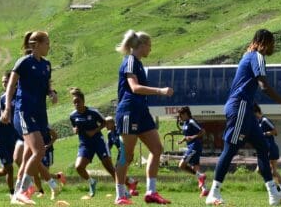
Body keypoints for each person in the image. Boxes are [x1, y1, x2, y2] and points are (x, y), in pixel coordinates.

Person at [206, 29, 281, 206]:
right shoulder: (257, 56)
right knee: (231, 148)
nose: (274, 47)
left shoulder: (248, 56)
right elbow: (264, 86)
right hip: (239, 107)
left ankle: (273, 195)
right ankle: (213, 193)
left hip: (246, 109)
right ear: (265, 42)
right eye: (273, 43)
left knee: (263, 147)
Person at [114, 30, 173, 205]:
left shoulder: (138, 63)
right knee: (127, 155)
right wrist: (159, 91)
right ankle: (120, 195)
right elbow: (134, 87)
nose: (151, 50)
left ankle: (151, 192)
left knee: (157, 149)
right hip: (129, 111)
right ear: (142, 45)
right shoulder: (130, 61)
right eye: (150, 46)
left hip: (142, 112)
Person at [1, 31, 58, 206]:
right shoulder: (24, 62)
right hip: (24, 112)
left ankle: (16, 194)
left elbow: (46, 86)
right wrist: (8, 108)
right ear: (37, 44)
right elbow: (11, 84)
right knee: (39, 151)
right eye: (47, 43)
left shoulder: (46, 65)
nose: (49, 46)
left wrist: (51, 93)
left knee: (27, 156)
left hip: (40, 114)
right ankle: (24, 191)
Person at [70, 87, 117, 197]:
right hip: (85, 144)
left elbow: (104, 123)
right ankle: (92, 182)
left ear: (83, 101)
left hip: (98, 142)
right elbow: (74, 127)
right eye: (74, 102)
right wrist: (74, 130)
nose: (76, 104)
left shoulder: (93, 112)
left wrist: (94, 131)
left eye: (78, 102)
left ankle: (122, 189)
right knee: (79, 167)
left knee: (109, 167)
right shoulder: (73, 116)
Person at [255, 104, 281, 195]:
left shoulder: (265, 120)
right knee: (260, 170)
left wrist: (264, 134)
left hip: (271, 148)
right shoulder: (257, 122)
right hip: (264, 149)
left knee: (272, 171)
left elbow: (275, 131)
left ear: (257, 112)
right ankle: (276, 187)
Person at [177, 106, 209, 196]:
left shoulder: (191, 121)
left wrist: (192, 137)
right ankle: (204, 190)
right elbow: (188, 135)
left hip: (195, 147)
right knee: (196, 168)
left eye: (180, 116)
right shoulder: (185, 123)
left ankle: (200, 176)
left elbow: (202, 131)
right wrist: (182, 140)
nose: (180, 118)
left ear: (185, 114)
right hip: (191, 146)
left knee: (181, 165)